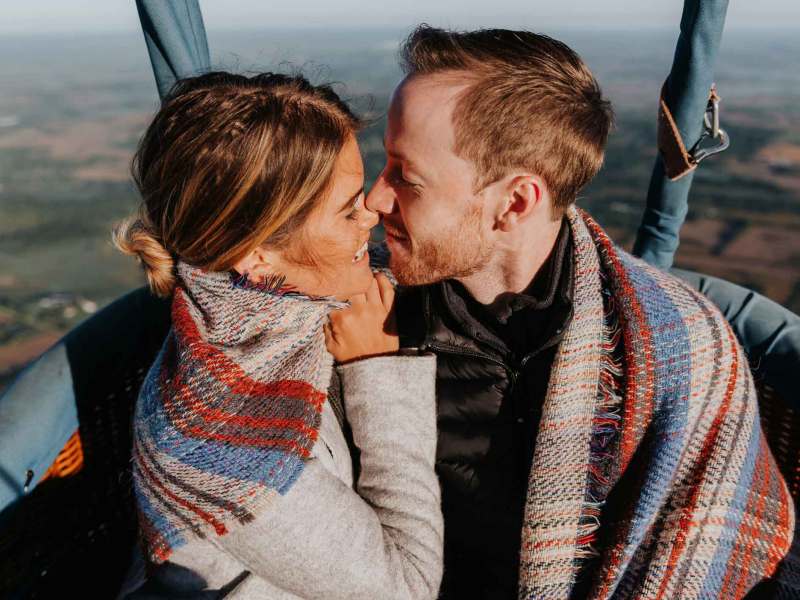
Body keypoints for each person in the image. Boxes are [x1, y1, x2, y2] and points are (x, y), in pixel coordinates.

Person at [364, 26, 796, 599]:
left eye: (406, 177)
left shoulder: (683, 350)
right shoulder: (358, 311)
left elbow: (705, 562)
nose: (374, 198)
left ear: (514, 203)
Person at [113, 71, 443, 599]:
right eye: (347, 207)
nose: (373, 211)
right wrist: (376, 373)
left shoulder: (277, 311)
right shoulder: (221, 442)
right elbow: (408, 588)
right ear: (259, 255)